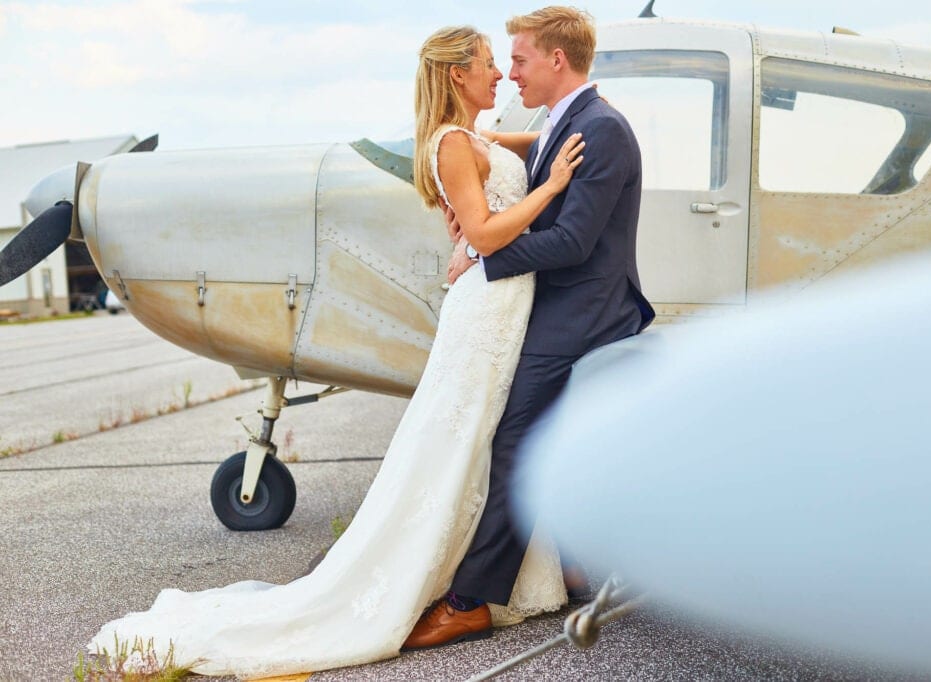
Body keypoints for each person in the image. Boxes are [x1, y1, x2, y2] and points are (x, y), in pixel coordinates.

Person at [87, 25, 584, 678]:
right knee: (463, 439)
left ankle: (499, 573)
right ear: (458, 74)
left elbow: (525, 151)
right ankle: (449, 578)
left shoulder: (470, 138)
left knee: (484, 439)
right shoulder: (455, 144)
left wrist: (568, 130)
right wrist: (551, 191)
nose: (499, 75)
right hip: (488, 306)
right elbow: (487, 236)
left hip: (503, 306)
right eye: (491, 65)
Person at [403, 6, 654, 650]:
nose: (510, 73)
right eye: (501, 62)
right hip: (553, 304)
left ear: (556, 60)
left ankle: (471, 601)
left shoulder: (602, 130)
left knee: (513, 439)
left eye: (517, 59)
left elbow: (571, 242)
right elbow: (502, 156)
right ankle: (573, 565)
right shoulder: (564, 124)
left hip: (583, 312)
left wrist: (481, 251)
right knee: (527, 433)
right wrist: (474, 220)